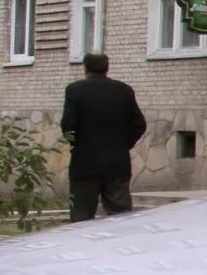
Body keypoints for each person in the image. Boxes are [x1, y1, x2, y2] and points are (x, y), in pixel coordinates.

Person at [59, 53, 147, 221]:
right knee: (121, 216)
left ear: (85, 68)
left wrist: (77, 144)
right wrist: (123, 145)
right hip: (117, 163)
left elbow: (68, 126)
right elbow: (139, 125)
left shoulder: (75, 90)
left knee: (81, 216)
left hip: (85, 163)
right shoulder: (124, 90)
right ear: (107, 68)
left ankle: (82, 246)